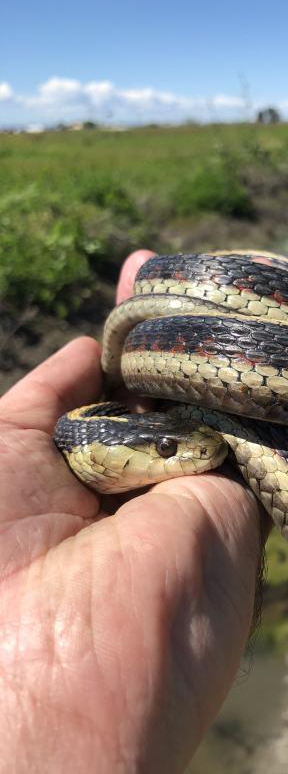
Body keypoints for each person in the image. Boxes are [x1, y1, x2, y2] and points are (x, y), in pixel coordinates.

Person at [0, 250, 264, 772]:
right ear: (104, 458)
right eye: (167, 453)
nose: (196, 455)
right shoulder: (84, 443)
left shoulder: (105, 434)